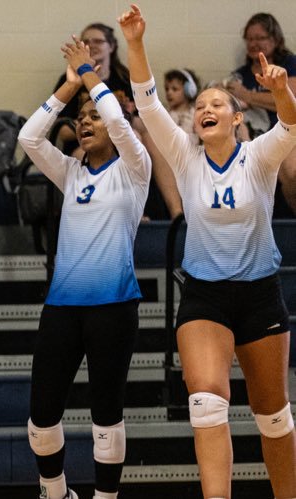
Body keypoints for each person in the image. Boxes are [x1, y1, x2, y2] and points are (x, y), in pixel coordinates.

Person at [122, 5, 296, 498]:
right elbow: (150, 106)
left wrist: (281, 89)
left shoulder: (259, 155)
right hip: (204, 298)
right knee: (206, 403)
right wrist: (136, 45)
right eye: (201, 106)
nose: (205, 110)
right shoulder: (184, 156)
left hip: (261, 295)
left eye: (217, 104)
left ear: (237, 119)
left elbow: (291, 124)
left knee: (273, 417)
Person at [18, 38, 153, 499]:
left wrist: (90, 75)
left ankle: (106, 496)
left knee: (105, 415)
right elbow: (29, 137)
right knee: (40, 417)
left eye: (92, 116)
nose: (86, 121)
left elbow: (117, 116)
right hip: (62, 307)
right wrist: (69, 85)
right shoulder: (70, 172)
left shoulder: (135, 167)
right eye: (81, 119)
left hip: (114, 305)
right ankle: (54, 491)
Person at [228, 13, 296, 216]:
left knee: (291, 172)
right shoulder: (240, 74)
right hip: (254, 138)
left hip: (287, 134)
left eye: (260, 38)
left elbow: (291, 101)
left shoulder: (289, 64)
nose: (253, 43)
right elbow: (233, 105)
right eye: (249, 39)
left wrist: (247, 95)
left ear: (274, 39)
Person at [163, 68, 201, 134]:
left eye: (174, 89)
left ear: (189, 91)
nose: (169, 93)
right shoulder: (164, 113)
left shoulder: (195, 115)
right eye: (167, 89)